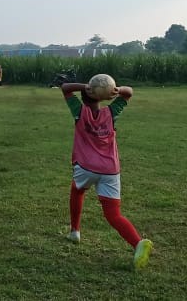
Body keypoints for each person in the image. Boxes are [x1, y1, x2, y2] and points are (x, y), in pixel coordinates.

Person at [60, 78, 153, 270]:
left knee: (77, 190)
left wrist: (82, 86)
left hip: (85, 167)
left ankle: (75, 231)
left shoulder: (80, 111)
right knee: (113, 214)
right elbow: (129, 92)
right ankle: (137, 243)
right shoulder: (111, 112)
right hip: (110, 170)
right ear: (104, 96)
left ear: (85, 95)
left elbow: (65, 88)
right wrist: (117, 90)